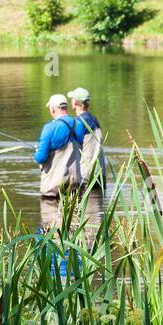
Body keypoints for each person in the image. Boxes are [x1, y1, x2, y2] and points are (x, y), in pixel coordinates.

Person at [35, 93, 81, 234]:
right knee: (74, 227)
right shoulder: (78, 125)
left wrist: (37, 151)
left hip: (53, 188)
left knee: (51, 228)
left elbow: (40, 158)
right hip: (74, 185)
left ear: (53, 109)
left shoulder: (49, 128)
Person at [67, 87, 106, 242]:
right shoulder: (94, 119)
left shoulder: (79, 122)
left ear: (75, 102)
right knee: (96, 214)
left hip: (86, 174)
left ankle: (88, 241)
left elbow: (71, 146)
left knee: (85, 215)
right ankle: (93, 241)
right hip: (100, 174)